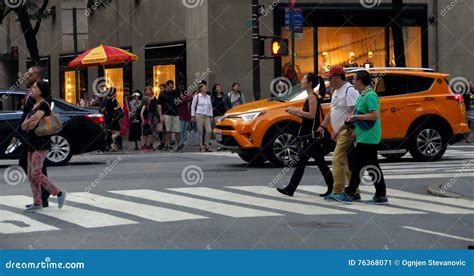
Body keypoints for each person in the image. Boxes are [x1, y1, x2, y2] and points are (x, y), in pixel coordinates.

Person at [277, 73, 334, 197]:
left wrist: (296, 111)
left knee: (303, 162)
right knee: (318, 162)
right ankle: (331, 186)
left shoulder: (312, 97)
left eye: (304, 79)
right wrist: (295, 112)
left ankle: (290, 189)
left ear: (310, 83)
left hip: (311, 136)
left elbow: (312, 115)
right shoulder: (311, 96)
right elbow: (309, 116)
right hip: (311, 135)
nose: (301, 81)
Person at [340, 70, 388, 204]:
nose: (352, 82)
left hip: (370, 137)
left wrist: (356, 117)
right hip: (363, 136)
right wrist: (355, 129)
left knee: (364, 166)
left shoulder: (370, 96)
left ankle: (354, 192)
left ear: (360, 81)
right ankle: (377, 194)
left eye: (354, 79)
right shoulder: (362, 96)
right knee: (365, 166)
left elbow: (374, 115)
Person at [21, 81, 66, 212]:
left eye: (35, 87)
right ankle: (37, 202)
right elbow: (24, 126)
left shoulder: (43, 106)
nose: (32, 89)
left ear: (41, 91)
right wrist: (30, 121)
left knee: (36, 173)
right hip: (32, 142)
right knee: (30, 174)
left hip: (42, 144)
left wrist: (30, 122)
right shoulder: (34, 106)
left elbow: (32, 124)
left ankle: (59, 193)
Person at [318, 65, 360, 201]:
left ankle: (338, 190)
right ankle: (354, 191)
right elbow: (333, 111)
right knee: (346, 162)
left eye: (330, 78)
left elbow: (356, 111)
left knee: (336, 159)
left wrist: (353, 130)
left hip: (346, 131)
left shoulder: (350, 90)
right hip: (338, 132)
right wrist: (323, 126)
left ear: (337, 77)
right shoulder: (336, 91)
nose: (329, 81)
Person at [11, 66, 51, 208]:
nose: (27, 75)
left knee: (37, 167)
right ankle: (41, 197)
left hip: (38, 136)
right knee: (26, 163)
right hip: (28, 135)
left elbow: (36, 116)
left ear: (38, 76)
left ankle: (45, 195)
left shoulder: (43, 95)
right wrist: (16, 134)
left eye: (30, 73)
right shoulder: (30, 93)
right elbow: (25, 115)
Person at [158, 80, 180, 151]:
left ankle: (178, 145)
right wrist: (161, 116)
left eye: (172, 87)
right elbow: (159, 105)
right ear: (166, 86)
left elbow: (179, 102)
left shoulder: (175, 93)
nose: (171, 88)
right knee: (167, 130)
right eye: (170, 87)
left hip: (175, 114)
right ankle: (167, 145)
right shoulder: (162, 94)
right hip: (166, 114)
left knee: (177, 130)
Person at [191, 83, 214, 152]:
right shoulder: (197, 96)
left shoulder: (208, 97)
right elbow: (193, 106)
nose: (206, 88)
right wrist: (193, 115)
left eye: (206, 87)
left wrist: (211, 116)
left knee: (209, 130)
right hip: (199, 115)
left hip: (207, 115)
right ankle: (201, 146)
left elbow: (210, 107)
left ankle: (207, 144)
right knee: (200, 131)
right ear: (201, 89)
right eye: (204, 87)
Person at [176, 88, 196, 152]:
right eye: (181, 94)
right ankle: (180, 144)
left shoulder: (183, 98)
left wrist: (192, 95)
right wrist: (192, 96)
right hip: (180, 117)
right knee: (181, 130)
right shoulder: (177, 100)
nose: (182, 95)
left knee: (184, 131)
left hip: (185, 117)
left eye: (182, 94)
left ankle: (182, 143)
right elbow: (186, 100)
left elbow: (187, 97)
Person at [104, 87, 122, 152]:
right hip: (113, 118)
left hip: (107, 118)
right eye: (115, 92)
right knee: (118, 133)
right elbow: (115, 108)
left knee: (111, 132)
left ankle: (113, 147)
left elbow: (104, 109)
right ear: (113, 93)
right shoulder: (114, 100)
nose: (116, 94)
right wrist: (118, 107)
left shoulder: (105, 100)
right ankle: (111, 141)